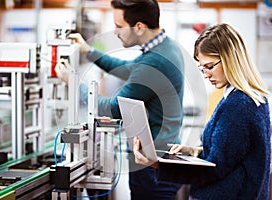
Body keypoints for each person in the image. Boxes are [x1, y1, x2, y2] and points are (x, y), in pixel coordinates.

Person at [55, 0, 185, 199]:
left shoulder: (155, 62)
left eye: (119, 26)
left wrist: (72, 83)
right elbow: (127, 69)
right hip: (160, 159)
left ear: (139, 27)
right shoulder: (165, 47)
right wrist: (88, 51)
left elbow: (111, 110)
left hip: (152, 166)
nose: (115, 31)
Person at [133, 23, 271, 200]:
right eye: (202, 68)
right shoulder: (249, 98)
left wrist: (154, 163)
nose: (206, 74)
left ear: (230, 59)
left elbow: (214, 169)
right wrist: (194, 151)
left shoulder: (239, 105)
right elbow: (231, 156)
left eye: (210, 66)